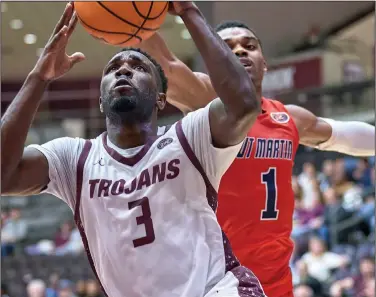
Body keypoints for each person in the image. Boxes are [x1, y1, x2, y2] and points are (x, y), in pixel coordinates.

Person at [1, 3, 266, 297]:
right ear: (101, 101)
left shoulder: (190, 136)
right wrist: (39, 77)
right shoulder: (74, 159)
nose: (124, 69)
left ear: (161, 99)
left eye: (139, 68)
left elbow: (244, 105)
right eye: (113, 69)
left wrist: (190, 12)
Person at [139, 20, 375, 297]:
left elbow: (344, 136)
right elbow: (165, 67)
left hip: (274, 281)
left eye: (249, 46)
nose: (240, 51)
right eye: (227, 48)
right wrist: (139, 21)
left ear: (264, 64)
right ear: (214, 62)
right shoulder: (206, 103)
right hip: (217, 280)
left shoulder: (289, 118)